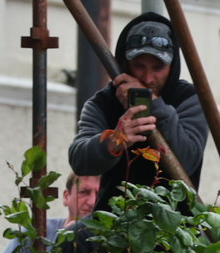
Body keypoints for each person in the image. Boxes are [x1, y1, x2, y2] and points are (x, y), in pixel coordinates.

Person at [68, 14, 208, 219]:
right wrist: (115, 139)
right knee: (63, 244)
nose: (148, 78)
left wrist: (154, 106)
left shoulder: (188, 99)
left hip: (173, 231)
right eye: (139, 66)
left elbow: (187, 160)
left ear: (173, 65)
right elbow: (79, 160)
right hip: (114, 228)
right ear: (125, 64)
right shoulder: (103, 103)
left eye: (158, 68)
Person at [0, 174, 99, 253]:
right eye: (84, 192)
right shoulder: (36, 231)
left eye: (98, 194)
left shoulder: (108, 240)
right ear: (66, 197)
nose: (92, 202)